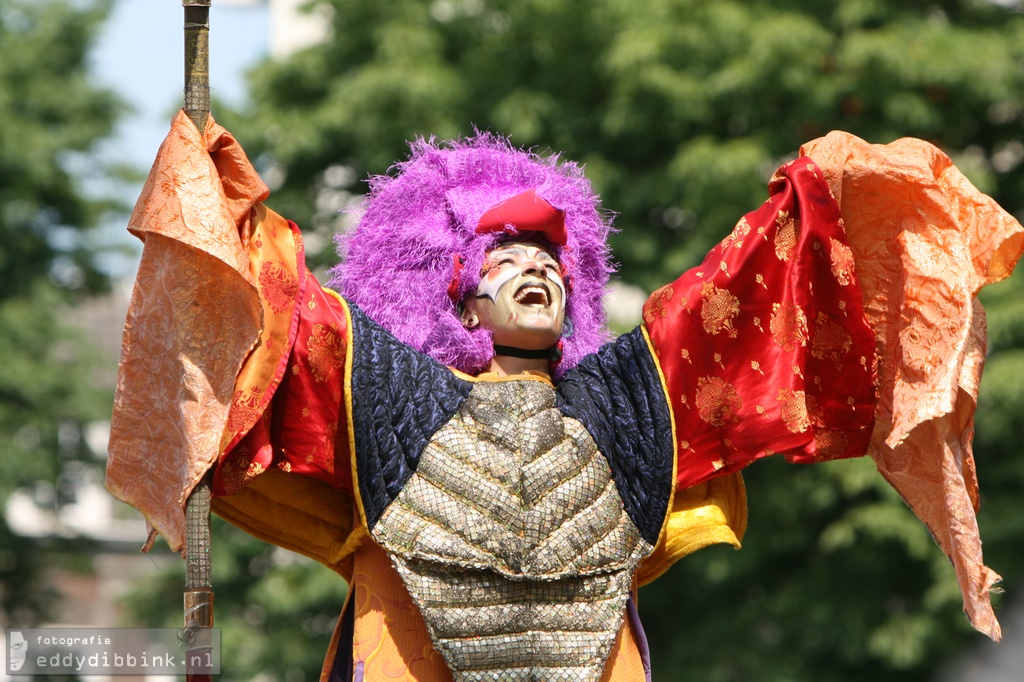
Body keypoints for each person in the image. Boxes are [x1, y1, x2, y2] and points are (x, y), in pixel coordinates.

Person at [107, 110, 1023, 681]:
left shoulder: (628, 401)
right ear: (456, 285)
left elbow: (732, 305)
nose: (535, 268)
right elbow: (284, 319)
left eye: (550, 256)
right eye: (507, 257)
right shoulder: (385, 396)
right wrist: (220, 212)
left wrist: (822, 200)